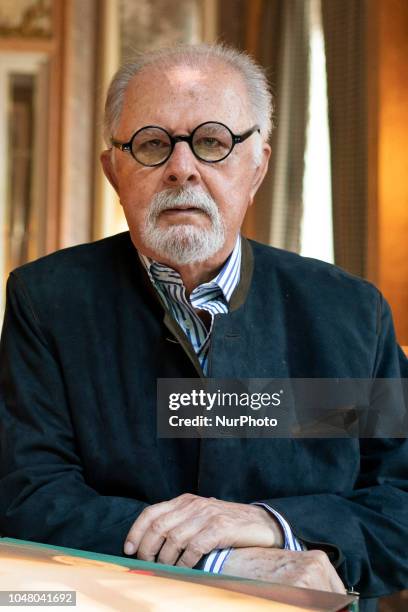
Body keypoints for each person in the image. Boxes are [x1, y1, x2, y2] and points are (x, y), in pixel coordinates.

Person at [0, 44, 407, 611]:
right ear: (114, 170)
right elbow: (29, 495)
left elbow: (398, 498)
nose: (182, 168)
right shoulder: (46, 301)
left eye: (213, 142)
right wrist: (221, 561)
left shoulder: (351, 313)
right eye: (151, 144)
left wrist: (274, 525)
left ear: (258, 166)